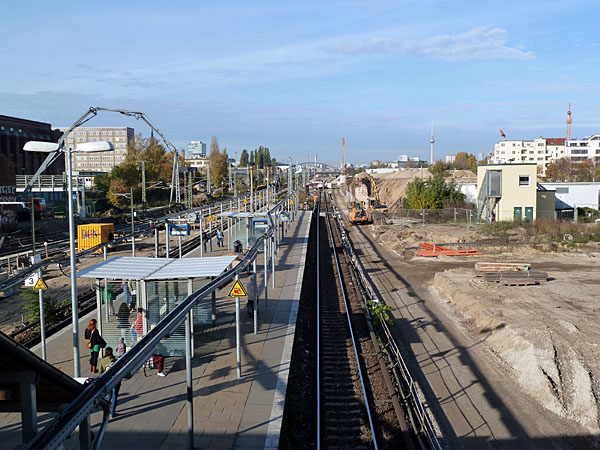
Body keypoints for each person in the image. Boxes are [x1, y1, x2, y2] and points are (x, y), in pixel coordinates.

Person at [98, 347, 121, 417]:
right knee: (114, 396)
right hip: (115, 379)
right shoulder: (115, 360)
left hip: (107, 380)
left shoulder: (103, 360)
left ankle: (106, 409)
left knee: (109, 395)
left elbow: (100, 372)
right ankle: (112, 413)